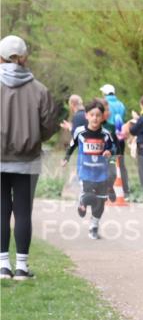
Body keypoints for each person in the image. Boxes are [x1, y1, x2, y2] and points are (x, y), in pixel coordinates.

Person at [0, 35, 61, 279]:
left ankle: (3, 265)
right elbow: (49, 125)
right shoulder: (40, 90)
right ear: (24, 58)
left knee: (1, 211)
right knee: (24, 212)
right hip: (28, 159)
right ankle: (22, 267)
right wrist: (35, 138)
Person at [61, 99, 117, 239]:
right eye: (92, 115)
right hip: (85, 172)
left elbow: (113, 147)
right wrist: (66, 158)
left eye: (98, 115)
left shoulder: (105, 134)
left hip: (101, 173)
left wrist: (109, 152)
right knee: (90, 197)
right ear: (86, 116)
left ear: (102, 117)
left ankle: (94, 226)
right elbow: (72, 145)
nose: (95, 118)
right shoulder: (80, 132)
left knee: (101, 201)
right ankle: (83, 201)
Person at [100, 84, 131, 197]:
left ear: (105, 93)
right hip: (120, 135)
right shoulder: (121, 104)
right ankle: (126, 190)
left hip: (108, 134)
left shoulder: (104, 104)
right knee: (121, 162)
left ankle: (109, 189)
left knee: (109, 161)